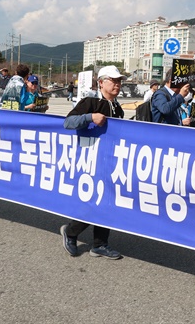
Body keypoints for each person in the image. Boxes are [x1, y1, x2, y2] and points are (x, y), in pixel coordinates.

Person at [60, 65, 126, 260]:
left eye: (119, 81)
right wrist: (90, 117)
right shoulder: (90, 101)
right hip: (90, 161)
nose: (117, 84)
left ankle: (100, 244)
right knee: (96, 201)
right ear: (101, 83)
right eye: (113, 81)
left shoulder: (117, 106)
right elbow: (68, 123)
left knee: (107, 201)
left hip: (110, 161)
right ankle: (71, 232)